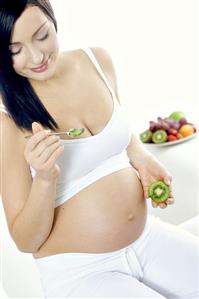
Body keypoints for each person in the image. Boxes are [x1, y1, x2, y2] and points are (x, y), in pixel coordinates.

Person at [0, 1, 198, 298]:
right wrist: (44, 178)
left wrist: (141, 158)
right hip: (82, 272)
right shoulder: (8, 121)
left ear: (53, 21)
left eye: (42, 35)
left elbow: (120, 133)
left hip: (146, 239)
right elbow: (26, 241)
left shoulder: (97, 61)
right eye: (16, 50)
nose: (37, 55)